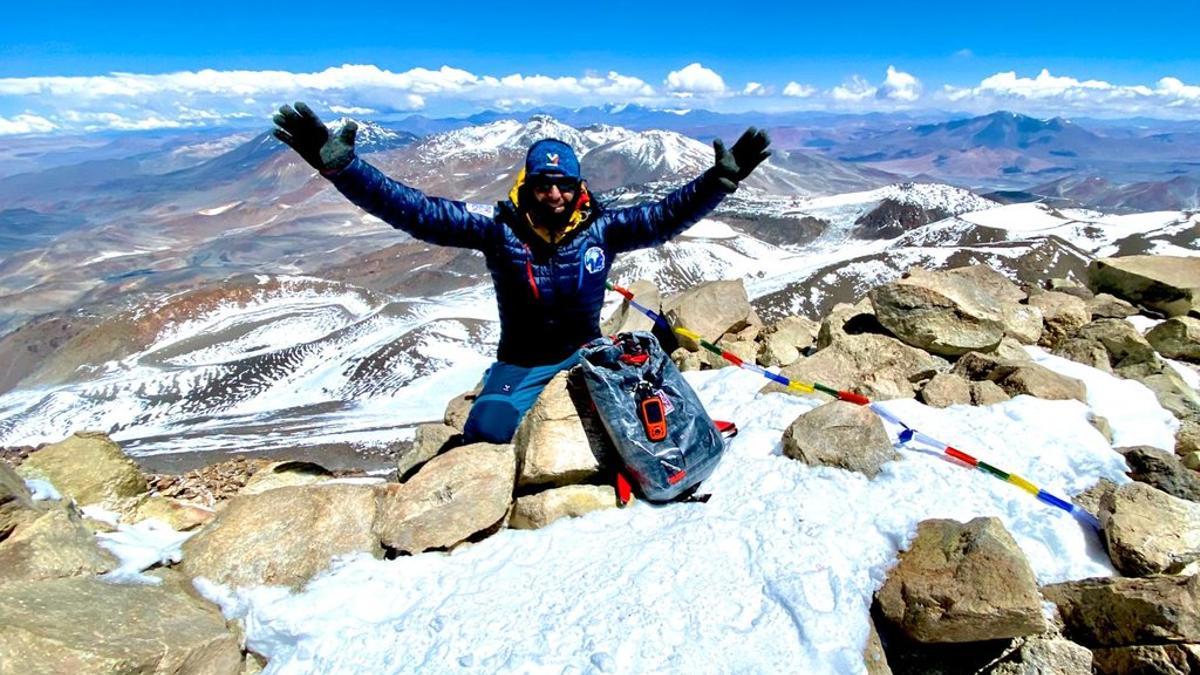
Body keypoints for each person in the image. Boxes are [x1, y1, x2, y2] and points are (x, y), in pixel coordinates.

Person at [272, 102, 770, 444]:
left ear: (579, 188)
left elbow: (663, 217)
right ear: (526, 187)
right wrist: (346, 171)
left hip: (585, 354)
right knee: (487, 429)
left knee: (649, 416)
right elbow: (418, 212)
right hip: (522, 361)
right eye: (542, 185)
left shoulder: (604, 230)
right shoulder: (497, 231)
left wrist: (717, 182)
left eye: (564, 185)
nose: (553, 195)